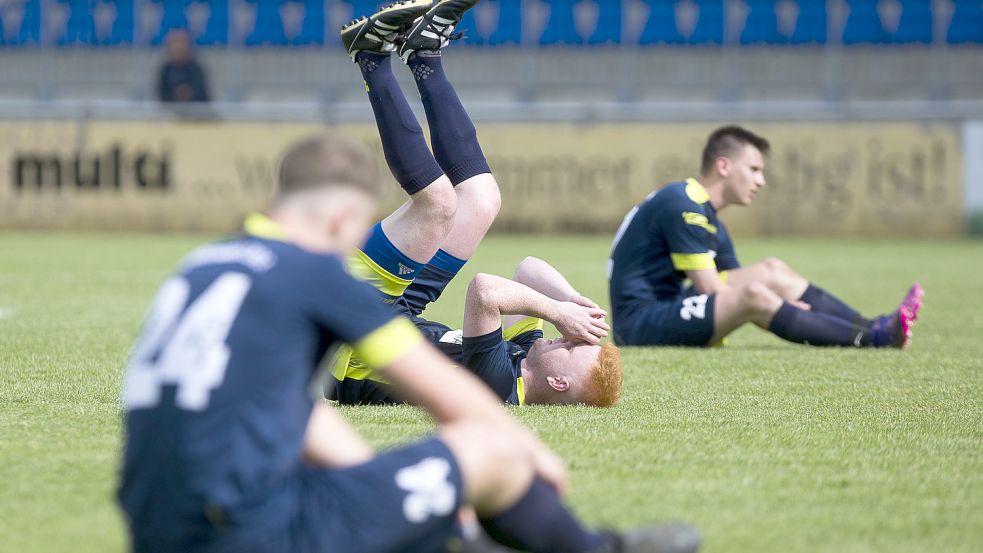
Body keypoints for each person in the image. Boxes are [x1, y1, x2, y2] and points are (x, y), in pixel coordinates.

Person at [116, 128, 700, 553]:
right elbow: (450, 399)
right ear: (345, 217)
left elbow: (301, 416)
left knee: (379, 488)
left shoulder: (202, 263)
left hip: (156, 530)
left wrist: (393, 490)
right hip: (248, 532)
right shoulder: (312, 273)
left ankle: (463, 542)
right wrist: (531, 453)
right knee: (489, 453)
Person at [333, 0, 621, 407]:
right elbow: (528, 270)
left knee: (437, 204)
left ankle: (371, 58)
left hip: (350, 334)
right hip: (398, 315)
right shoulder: (524, 358)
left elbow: (485, 292)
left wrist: (557, 313)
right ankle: (424, 53)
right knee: (483, 200)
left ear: (559, 383)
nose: (567, 337)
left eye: (573, 348)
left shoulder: (498, 388)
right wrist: (571, 302)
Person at [608, 125, 924, 348]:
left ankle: (876, 325)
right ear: (724, 166)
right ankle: (876, 340)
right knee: (754, 296)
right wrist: (780, 306)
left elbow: (733, 276)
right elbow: (711, 289)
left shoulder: (709, 217)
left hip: (670, 305)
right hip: (640, 323)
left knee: (771, 270)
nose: (761, 180)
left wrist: (782, 301)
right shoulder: (683, 204)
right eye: (754, 169)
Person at [157, 29, 211, 103]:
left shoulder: (196, 68)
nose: (179, 47)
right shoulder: (166, 69)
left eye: (182, 44)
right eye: (175, 44)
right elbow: (162, 95)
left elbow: (201, 94)